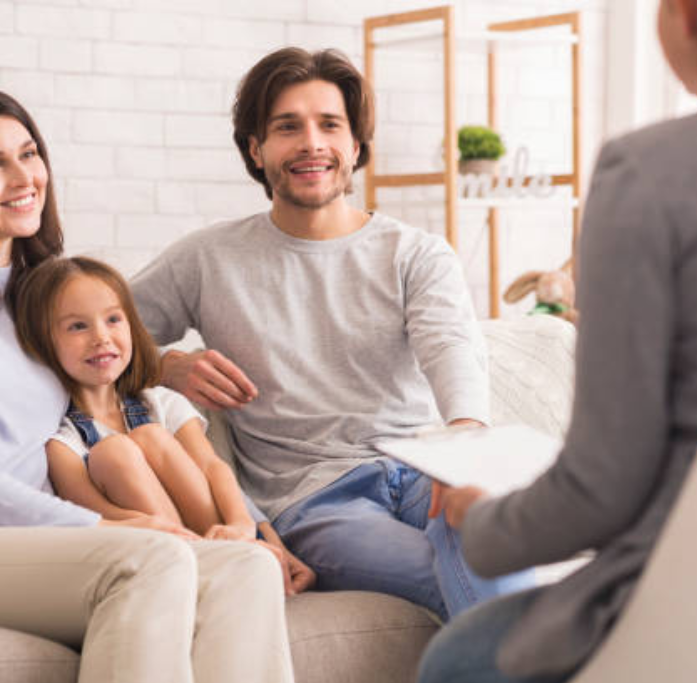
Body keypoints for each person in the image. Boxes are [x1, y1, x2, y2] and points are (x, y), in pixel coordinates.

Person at [0, 85, 295, 683]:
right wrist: (98, 526)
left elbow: (124, 389)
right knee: (147, 560)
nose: (23, 177)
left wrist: (258, 527)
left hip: (17, 544)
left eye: (29, 154)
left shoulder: (40, 296)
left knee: (244, 567)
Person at [419, 0, 697, 681]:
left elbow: (602, 489)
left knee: (455, 662)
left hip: (695, 609)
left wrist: (483, 518)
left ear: (687, 14)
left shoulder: (648, 174)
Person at [130, 47, 532, 622]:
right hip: (318, 501)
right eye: (287, 127)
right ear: (255, 149)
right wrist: (164, 366)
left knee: (489, 538)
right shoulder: (206, 259)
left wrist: (464, 443)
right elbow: (94, 332)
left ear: (356, 146)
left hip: (421, 467)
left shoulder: (414, 253)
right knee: (468, 577)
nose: (311, 143)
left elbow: (451, 345)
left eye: (329, 125)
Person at [16, 255, 269, 543]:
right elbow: (94, 514)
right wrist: (151, 526)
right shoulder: (63, 445)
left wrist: (241, 522)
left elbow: (212, 467)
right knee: (113, 452)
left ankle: (224, 553)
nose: (101, 337)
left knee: (150, 435)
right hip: (151, 546)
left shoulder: (162, 403)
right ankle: (196, 558)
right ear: (41, 341)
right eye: (77, 326)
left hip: (214, 534)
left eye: (113, 319)